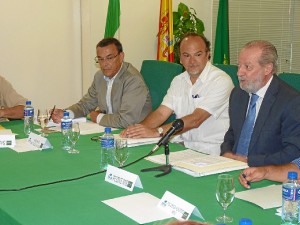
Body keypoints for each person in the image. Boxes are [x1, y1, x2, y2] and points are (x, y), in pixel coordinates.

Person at [121, 33, 234, 155]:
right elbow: (160, 113)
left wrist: (156, 132)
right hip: (181, 147)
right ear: (180, 58)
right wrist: (136, 130)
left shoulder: (221, 80)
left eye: (198, 54)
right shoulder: (178, 80)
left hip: (210, 151)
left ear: (208, 55)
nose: (192, 61)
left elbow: (196, 119)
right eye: (186, 55)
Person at [221, 40, 300, 167]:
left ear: (267, 68)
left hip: (266, 173)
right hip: (231, 166)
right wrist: (227, 152)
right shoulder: (238, 93)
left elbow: (293, 151)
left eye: (247, 67)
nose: (239, 73)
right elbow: (232, 132)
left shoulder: (291, 101)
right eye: (238, 65)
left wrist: (250, 161)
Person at [51, 37, 151, 128]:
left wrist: (98, 117)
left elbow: (126, 120)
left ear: (121, 57)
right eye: (100, 59)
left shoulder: (133, 80)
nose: (104, 64)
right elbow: (86, 104)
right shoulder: (99, 76)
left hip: (134, 133)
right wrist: (66, 114)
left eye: (109, 58)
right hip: (109, 129)